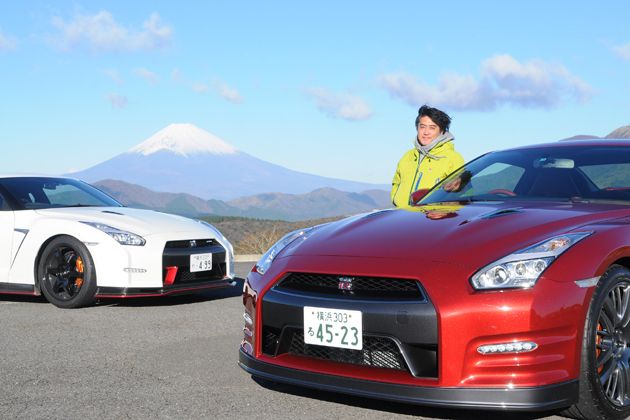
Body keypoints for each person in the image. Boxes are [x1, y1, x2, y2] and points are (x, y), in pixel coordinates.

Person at [391, 105, 465, 208]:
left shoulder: (453, 158)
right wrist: (396, 199)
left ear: (442, 131)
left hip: (432, 220)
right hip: (402, 217)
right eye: (422, 127)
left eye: (432, 127)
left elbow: (463, 193)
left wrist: (442, 211)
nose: (426, 132)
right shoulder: (407, 156)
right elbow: (396, 184)